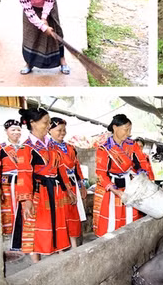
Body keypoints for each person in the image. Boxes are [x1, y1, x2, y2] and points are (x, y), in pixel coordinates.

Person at [13, 108, 74, 261]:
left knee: (56, 222)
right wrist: (26, 200)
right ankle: (36, 263)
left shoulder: (52, 145)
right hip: (38, 191)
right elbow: (24, 174)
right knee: (35, 225)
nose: (48, 126)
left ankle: (58, 253)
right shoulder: (26, 147)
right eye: (45, 122)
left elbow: (60, 169)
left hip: (55, 188)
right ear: (33, 123)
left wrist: (69, 189)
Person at [92, 114, 155, 237]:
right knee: (111, 219)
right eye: (126, 129)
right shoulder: (104, 149)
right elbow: (101, 173)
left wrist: (143, 175)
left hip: (129, 185)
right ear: (115, 127)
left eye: (130, 130)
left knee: (129, 217)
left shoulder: (132, 145)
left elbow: (141, 162)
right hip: (112, 188)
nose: (129, 133)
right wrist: (116, 191)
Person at [17, 0, 69, 75]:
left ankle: (62, 61)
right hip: (32, 8)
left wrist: (44, 18)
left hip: (48, 6)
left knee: (56, 33)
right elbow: (29, 11)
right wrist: (42, 26)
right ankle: (29, 63)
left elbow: (49, 0)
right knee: (30, 35)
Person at [49, 116, 86, 249]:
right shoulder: (48, 148)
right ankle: (60, 246)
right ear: (49, 130)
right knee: (61, 215)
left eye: (64, 130)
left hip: (73, 183)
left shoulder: (70, 147)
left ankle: (74, 244)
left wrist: (81, 185)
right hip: (59, 186)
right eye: (59, 130)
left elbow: (76, 166)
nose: (62, 133)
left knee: (73, 213)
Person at [0, 119, 22, 238]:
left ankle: (22, 233)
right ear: (6, 131)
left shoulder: (25, 148)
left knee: (22, 207)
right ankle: (9, 235)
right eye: (13, 130)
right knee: (8, 207)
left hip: (23, 183)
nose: (16, 132)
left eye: (18, 130)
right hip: (7, 184)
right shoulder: (1, 148)